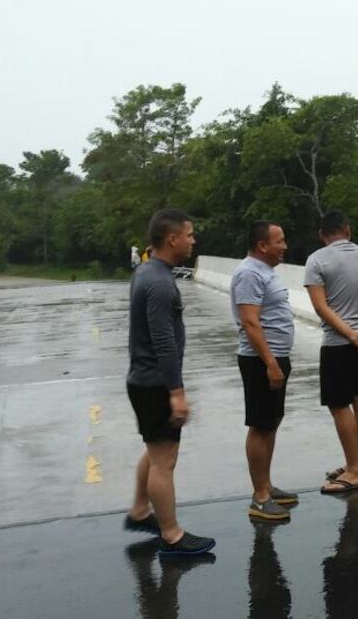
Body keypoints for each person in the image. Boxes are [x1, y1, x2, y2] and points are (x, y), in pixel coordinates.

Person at [123, 208, 215, 557]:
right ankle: (172, 535)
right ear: (172, 239)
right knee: (164, 461)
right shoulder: (160, 283)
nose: (193, 240)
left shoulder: (147, 271)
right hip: (155, 383)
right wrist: (176, 393)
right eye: (189, 235)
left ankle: (139, 510)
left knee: (155, 449)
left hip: (143, 379)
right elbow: (163, 341)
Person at [303, 210, 358, 494]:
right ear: (348, 230)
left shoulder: (316, 260)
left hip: (339, 343)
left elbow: (320, 306)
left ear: (322, 234)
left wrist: (349, 334)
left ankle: (354, 470)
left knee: (339, 405)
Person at [232, 220, 298, 521]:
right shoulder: (249, 273)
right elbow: (250, 322)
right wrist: (270, 363)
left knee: (271, 421)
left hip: (275, 356)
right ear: (262, 245)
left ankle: (267, 486)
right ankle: (259, 497)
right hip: (261, 360)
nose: (285, 246)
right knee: (260, 425)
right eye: (279, 241)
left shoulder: (265, 271)